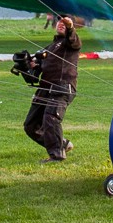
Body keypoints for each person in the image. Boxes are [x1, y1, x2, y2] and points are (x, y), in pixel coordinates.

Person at [23, 14, 80, 163]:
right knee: (31, 126)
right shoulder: (51, 46)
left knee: (51, 119)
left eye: (64, 23)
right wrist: (31, 65)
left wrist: (70, 27)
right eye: (59, 22)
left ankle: (57, 155)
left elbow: (74, 40)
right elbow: (40, 65)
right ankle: (62, 144)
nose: (61, 24)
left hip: (61, 88)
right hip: (45, 89)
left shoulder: (70, 42)